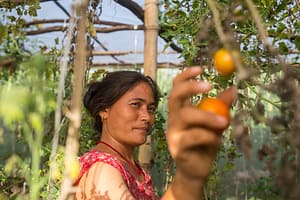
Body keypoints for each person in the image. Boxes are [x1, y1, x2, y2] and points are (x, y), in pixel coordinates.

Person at [74, 67, 236, 200]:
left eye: (150, 109)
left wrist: (190, 175)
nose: (147, 117)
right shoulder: (101, 169)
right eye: (135, 104)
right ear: (104, 110)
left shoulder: (131, 168)